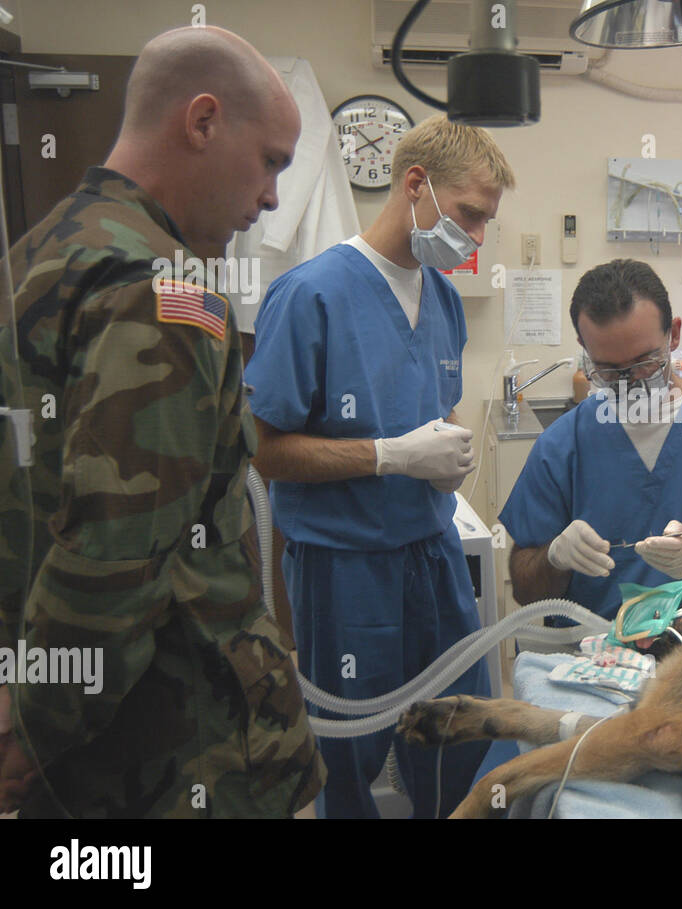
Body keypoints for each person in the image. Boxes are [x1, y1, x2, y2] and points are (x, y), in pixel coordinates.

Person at [0, 26, 325, 817]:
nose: (274, 197)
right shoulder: (165, 289)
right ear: (203, 121)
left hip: (92, 737)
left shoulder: (43, 250)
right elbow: (117, 549)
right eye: (273, 160)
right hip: (177, 747)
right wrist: (31, 731)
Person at [244, 116, 515, 818]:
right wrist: (389, 457)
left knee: (463, 730)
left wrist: (449, 454)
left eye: (488, 221)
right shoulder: (311, 295)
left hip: (433, 554)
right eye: (470, 214)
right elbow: (265, 449)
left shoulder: (444, 298)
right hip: (345, 565)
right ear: (416, 184)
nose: (478, 237)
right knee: (350, 755)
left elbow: (434, 410)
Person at [500, 259, 682, 619]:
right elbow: (524, 588)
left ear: (673, 334)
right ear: (584, 347)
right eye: (609, 369)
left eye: (646, 362)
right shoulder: (563, 446)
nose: (631, 381)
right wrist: (554, 558)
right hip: (591, 655)